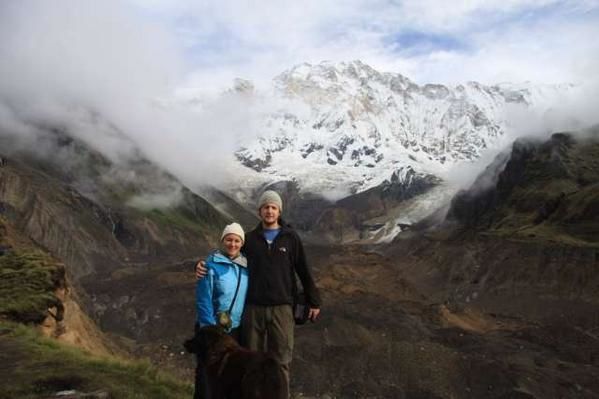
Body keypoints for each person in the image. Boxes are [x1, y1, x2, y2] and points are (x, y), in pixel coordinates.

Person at [196, 190, 321, 396]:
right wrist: (201, 265)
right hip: (252, 309)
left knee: (281, 361)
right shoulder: (250, 239)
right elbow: (229, 255)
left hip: (282, 308)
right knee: (250, 362)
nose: (269, 211)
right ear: (260, 211)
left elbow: (303, 269)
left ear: (279, 211)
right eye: (266, 207)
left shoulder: (290, 238)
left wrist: (314, 301)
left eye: (273, 207)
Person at [193, 222, 248, 399]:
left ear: (242, 243)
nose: (233, 244)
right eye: (229, 240)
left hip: (234, 329)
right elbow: (203, 299)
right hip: (212, 330)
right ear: (223, 241)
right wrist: (210, 330)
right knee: (206, 375)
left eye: (237, 241)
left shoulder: (245, 267)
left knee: (227, 375)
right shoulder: (210, 265)